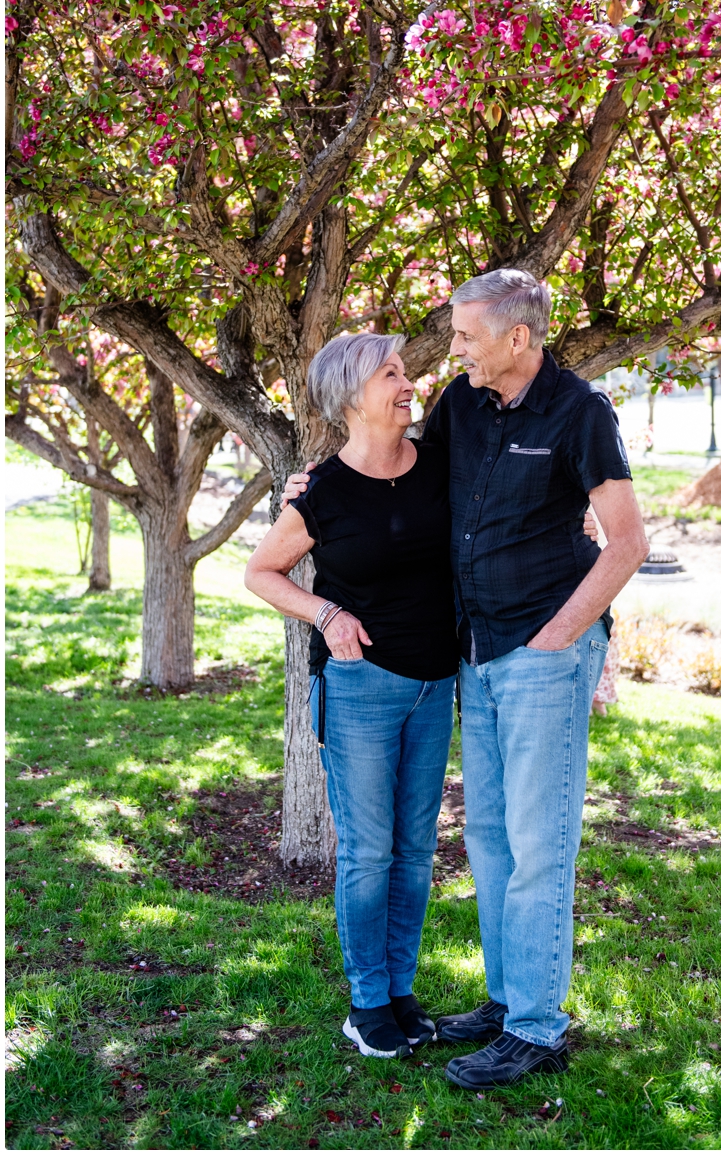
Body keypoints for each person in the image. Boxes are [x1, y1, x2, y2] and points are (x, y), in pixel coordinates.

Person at [284, 269, 648, 1090]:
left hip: (540, 654)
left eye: (466, 336)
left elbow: (627, 542)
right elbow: (394, 468)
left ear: (518, 338)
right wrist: (304, 490)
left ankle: (537, 1026)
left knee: (539, 844)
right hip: (474, 654)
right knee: (488, 839)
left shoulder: (581, 414)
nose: (451, 350)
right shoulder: (460, 405)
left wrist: (561, 638)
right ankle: (506, 999)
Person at [246, 332, 456, 1061]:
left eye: (404, 370)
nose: (407, 382)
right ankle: (366, 1001)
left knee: (415, 850)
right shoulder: (322, 491)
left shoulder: (439, 467)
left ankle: (401, 991)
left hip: (436, 686)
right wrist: (325, 613)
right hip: (361, 687)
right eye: (390, 374)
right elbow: (262, 572)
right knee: (369, 852)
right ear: (350, 397)